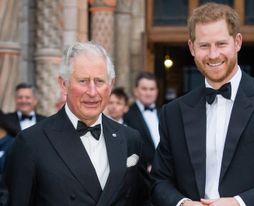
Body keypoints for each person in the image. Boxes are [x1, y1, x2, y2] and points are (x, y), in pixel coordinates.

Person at [150, 3, 254, 206]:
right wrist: (183, 203)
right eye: (204, 45)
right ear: (192, 48)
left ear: (237, 42)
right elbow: (159, 181)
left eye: (221, 44)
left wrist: (240, 203)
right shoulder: (173, 112)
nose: (213, 55)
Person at [4, 41, 150, 206]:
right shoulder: (31, 142)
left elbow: (143, 200)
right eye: (83, 81)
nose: (92, 92)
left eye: (100, 81)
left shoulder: (131, 139)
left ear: (110, 85)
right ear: (63, 84)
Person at [124, 72, 161, 170]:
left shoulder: (164, 113)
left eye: (152, 89)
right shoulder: (126, 115)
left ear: (157, 91)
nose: (148, 93)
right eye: (144, 89)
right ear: (135, 91)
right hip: (141, 174)